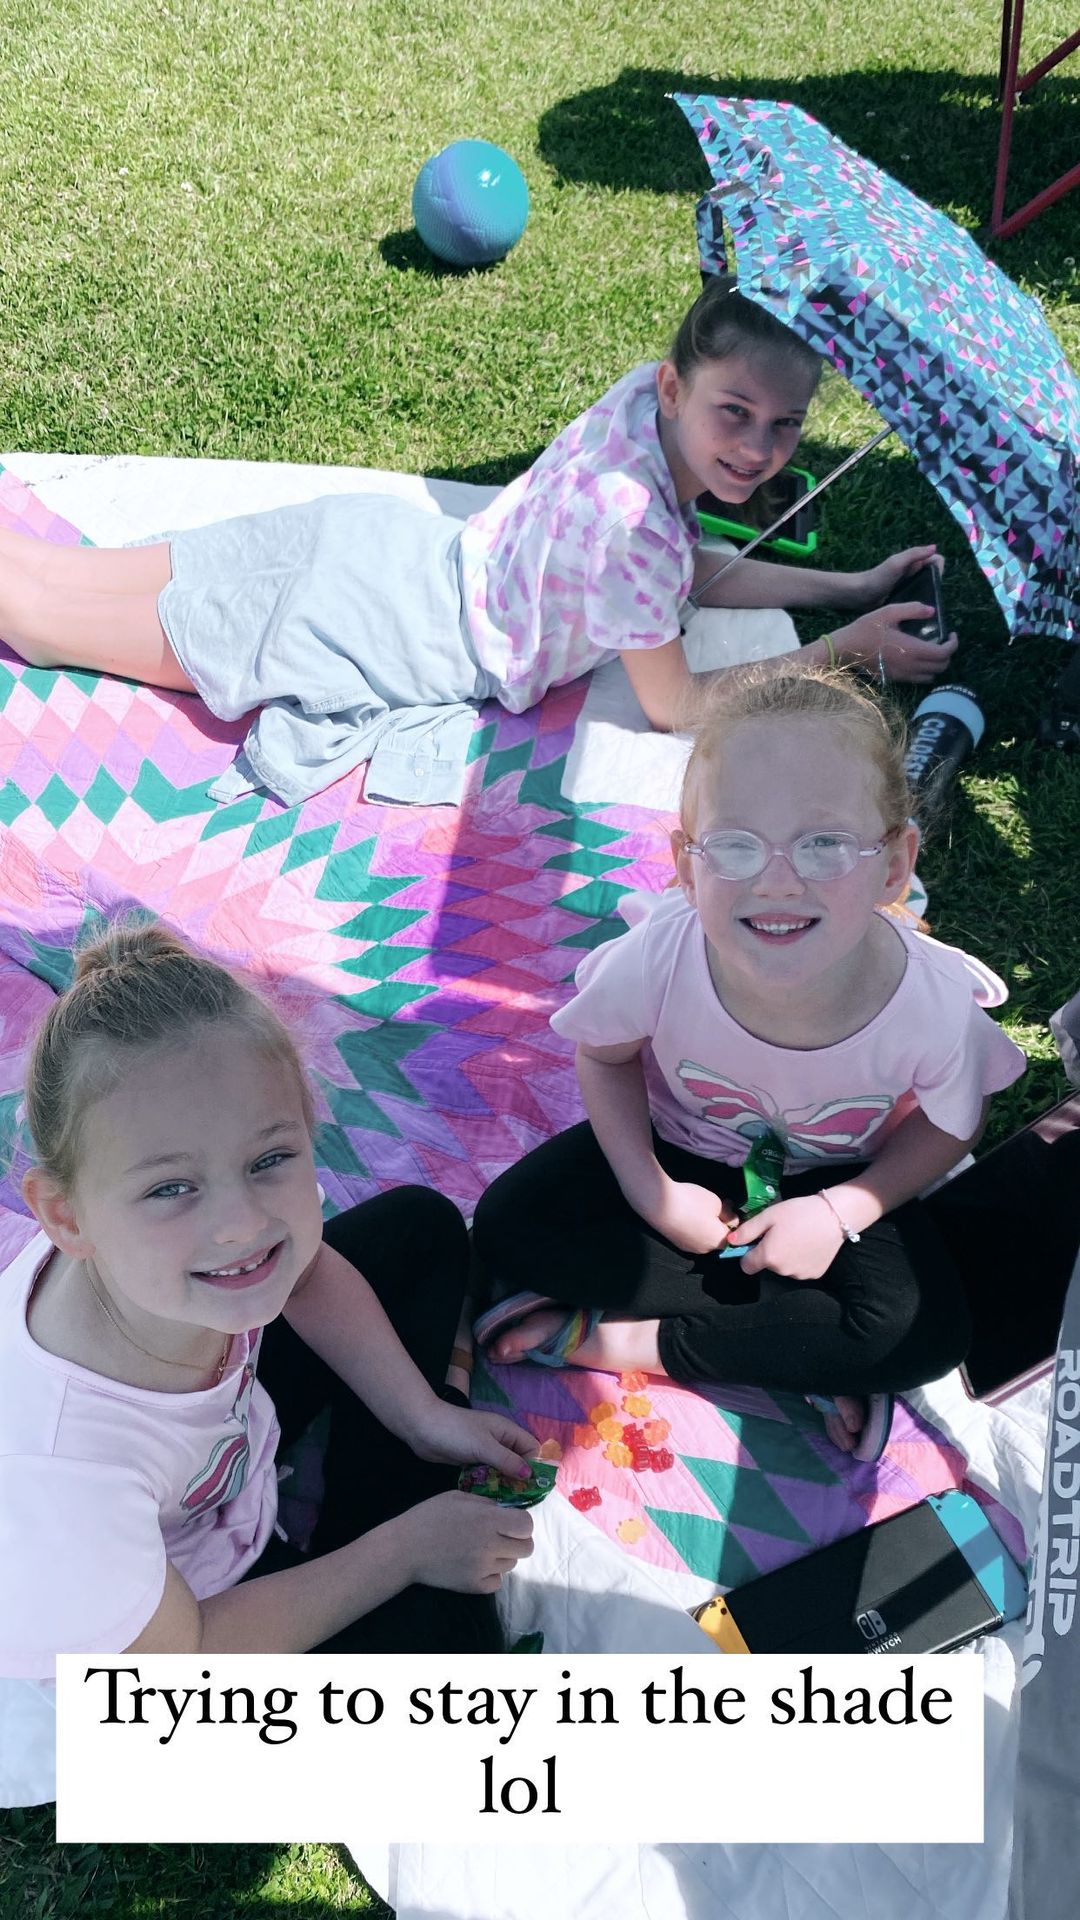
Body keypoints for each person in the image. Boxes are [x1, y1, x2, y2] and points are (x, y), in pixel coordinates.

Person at [0, 278, 955, 809]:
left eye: (786, 426)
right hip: (376, 631)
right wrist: (846, 653)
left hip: (379, 549)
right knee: (40, 620)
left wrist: (849, 586)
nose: (759, 451)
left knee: (53, 571)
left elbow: (680, 579)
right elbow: (677, 704)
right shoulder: (640, 534)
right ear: (678, 388)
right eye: (736, 414)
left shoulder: (637, 410)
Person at [471, 665, 1025, 1460]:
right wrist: (654, 1192)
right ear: (686, 865)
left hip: (834, 1179)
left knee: (922, 1331)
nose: (775, 879)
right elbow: (605, 1056)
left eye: (825, 844)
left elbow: (950, 1127)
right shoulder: (661, 956)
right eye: (735, 844)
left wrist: (843, 1214)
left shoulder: (928, 1005)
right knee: (511, 1227)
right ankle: (792, 1335)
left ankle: (619, 1343)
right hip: (682, 1147)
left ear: (895, 867)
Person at [0, 924, 538, 1683]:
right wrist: (401, 1553)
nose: (243, 1224)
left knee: (417, 1226)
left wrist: (422, 1416)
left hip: (223, 1454)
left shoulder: (184, 1268)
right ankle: (395, 1529)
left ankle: (398, 1492)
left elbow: (308, 1268)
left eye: (269, 1159)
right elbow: (177, 1658)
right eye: (170, 1188)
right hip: (191, 1611)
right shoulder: (56, 1471)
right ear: (66, 1217)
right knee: (445, 1669)